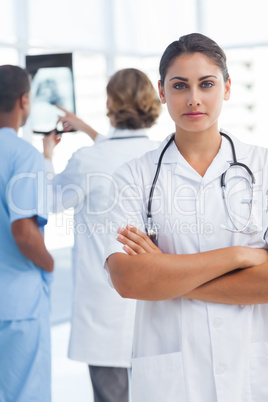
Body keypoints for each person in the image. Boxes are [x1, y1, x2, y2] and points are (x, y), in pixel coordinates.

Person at [104, 33, 268, 402]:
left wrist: (164, 274)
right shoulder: (133, 178)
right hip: (172, 381)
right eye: (180, 85)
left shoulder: (264, 168)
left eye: (206, 84)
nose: (194, 98)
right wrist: (239, 257)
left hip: (252, 371)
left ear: (226, 88)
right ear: (162, 92)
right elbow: (128, 280)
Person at [43, 68, 161, 402]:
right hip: (155, 301)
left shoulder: (88, 160)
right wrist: (87, 129)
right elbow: (121, 151)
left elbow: (51, 201)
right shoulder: (164, 155)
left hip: (104, 308)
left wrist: (47, 156)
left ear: (110, 102)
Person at [0, 65, 54, 402]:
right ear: (24, 101)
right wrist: (48, 263)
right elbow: (23, 231)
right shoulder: (23, 156)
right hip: (16, 305)